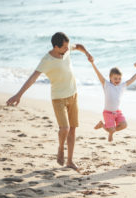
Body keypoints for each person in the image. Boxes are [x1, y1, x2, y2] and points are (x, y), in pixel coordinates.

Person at [6, 32, 93, 171]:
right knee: (64, 128)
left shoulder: (67, 49)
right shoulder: (47, 60)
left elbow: (78, 46)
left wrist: (87, 53)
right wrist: (18, 95)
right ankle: (60, 148)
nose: (67, 49)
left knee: (72, 130)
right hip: (58, 98)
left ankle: (70, 161)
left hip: (73, 95)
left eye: (67, 46)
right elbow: (33, 78)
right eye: (64, 47)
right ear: (56, 47)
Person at [88, 56, 136, 142]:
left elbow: (132, 79)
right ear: (110, 77)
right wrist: (92, 63)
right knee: (111, 129)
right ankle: (103, 126)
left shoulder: (122, 86)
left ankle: (111, 130)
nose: (118, 80)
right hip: (108, 113)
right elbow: (98, 74)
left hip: (117, 112)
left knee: (124, 125)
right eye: (115, 78)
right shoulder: (106, 85)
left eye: (119, 78)